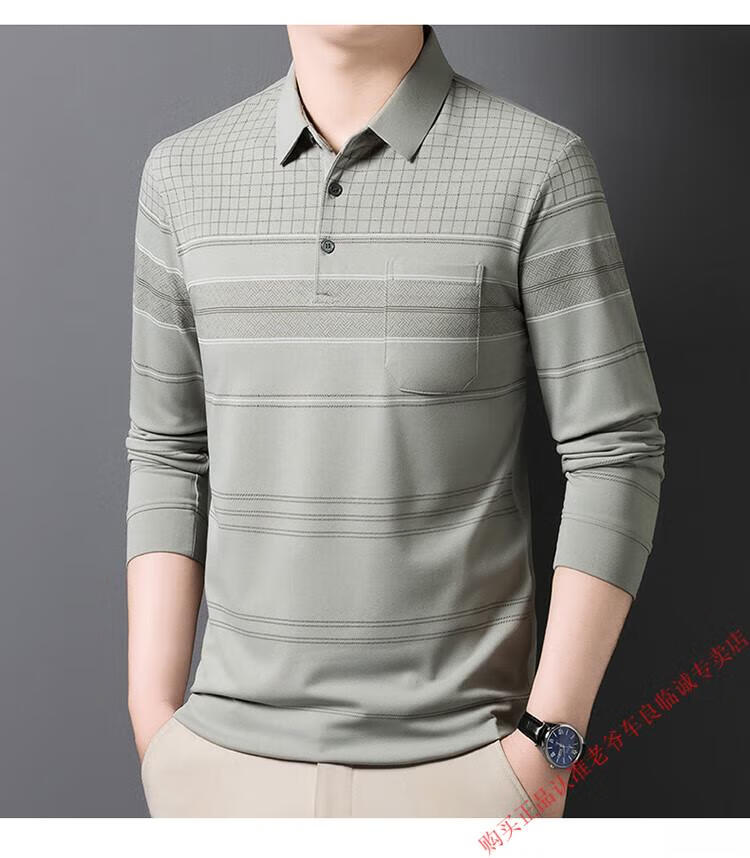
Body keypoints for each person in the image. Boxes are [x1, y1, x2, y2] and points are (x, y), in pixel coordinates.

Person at [125, 24, 666, 818]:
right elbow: (167, 450)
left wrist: (548, 745)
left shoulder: (539, 165)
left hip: (467, 772)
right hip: (219, 772)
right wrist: (155, 722)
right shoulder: (182, 175)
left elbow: (616, 450)